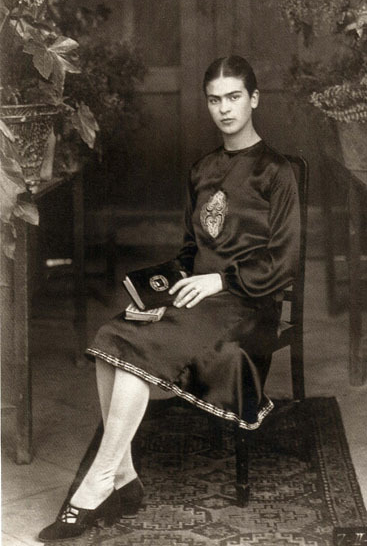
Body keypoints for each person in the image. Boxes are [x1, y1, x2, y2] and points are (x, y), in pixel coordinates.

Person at [39, 55, 301, 542]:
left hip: (248, 303)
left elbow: (284, 262)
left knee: (138, 346)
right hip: (194, 299)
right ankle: (125, 477)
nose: (224, 109)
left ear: (254, 99)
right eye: (215, 100)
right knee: (114, 332)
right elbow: (188, 252)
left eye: (234, 97)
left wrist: (220, 281)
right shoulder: (202, 170)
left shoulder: (277, 171)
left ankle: (97, 483)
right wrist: (157, 289)